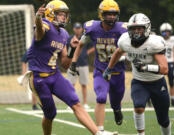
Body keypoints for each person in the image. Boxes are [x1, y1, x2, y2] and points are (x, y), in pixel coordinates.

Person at [26, 0, 117, 135]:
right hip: (39, 78)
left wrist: (72, 50)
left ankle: (97, 133)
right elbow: (39, 31)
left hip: (54, 75)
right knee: (50, 113)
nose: (64, 17)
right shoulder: (45, 24)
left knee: (76, 103)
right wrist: (38, 18)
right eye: (60, 14)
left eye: (65, 14)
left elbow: (65, 64)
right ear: (51, 14)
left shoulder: (63, 33)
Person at [103, 13, 171, 135]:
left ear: (147, 28)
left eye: (139, 28)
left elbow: (165, 69)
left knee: (163, 120)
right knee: (139, 107)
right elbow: (118, 52)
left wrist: (146, 67)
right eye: (133, 28)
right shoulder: (125, 40)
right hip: (139, 82)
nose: (136, 31)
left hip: (157, 82)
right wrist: (109, 69)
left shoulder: (154, 43)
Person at [69, 0, 127, 130]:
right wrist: (73, 62)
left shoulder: (122, 29)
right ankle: (100, 129)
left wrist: (125, 56)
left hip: (118, 73)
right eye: (108, 14)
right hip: (101, 71)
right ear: (101, 14)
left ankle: (117, 110)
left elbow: (130, 48)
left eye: (114, 14)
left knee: (116, 102)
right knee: (101, 98)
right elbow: (80, 45)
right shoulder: (92, 28)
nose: (111, 16)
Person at [67, 22, 95, 109]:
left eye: (79, 28)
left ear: (81, 29)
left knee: (84, 84)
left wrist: (87, 52)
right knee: (71, 84)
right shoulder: (70, 38)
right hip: (72, 64)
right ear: (73, 29)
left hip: (83, 63)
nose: (77, 29)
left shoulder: (85, 37)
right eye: (76, 28)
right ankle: (71, 103)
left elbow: (94, 46)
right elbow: (67, 49)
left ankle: (85, 103)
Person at [160, 22, 174, 106]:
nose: (166, 33)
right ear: (161, 32)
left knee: (171, 83)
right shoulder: (159, 40)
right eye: (165, 31)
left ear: (170, 32)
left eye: (168, 31)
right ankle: (159, 99)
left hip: (170, 63)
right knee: (159, 82)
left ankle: (173, 99)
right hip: (161, 62)